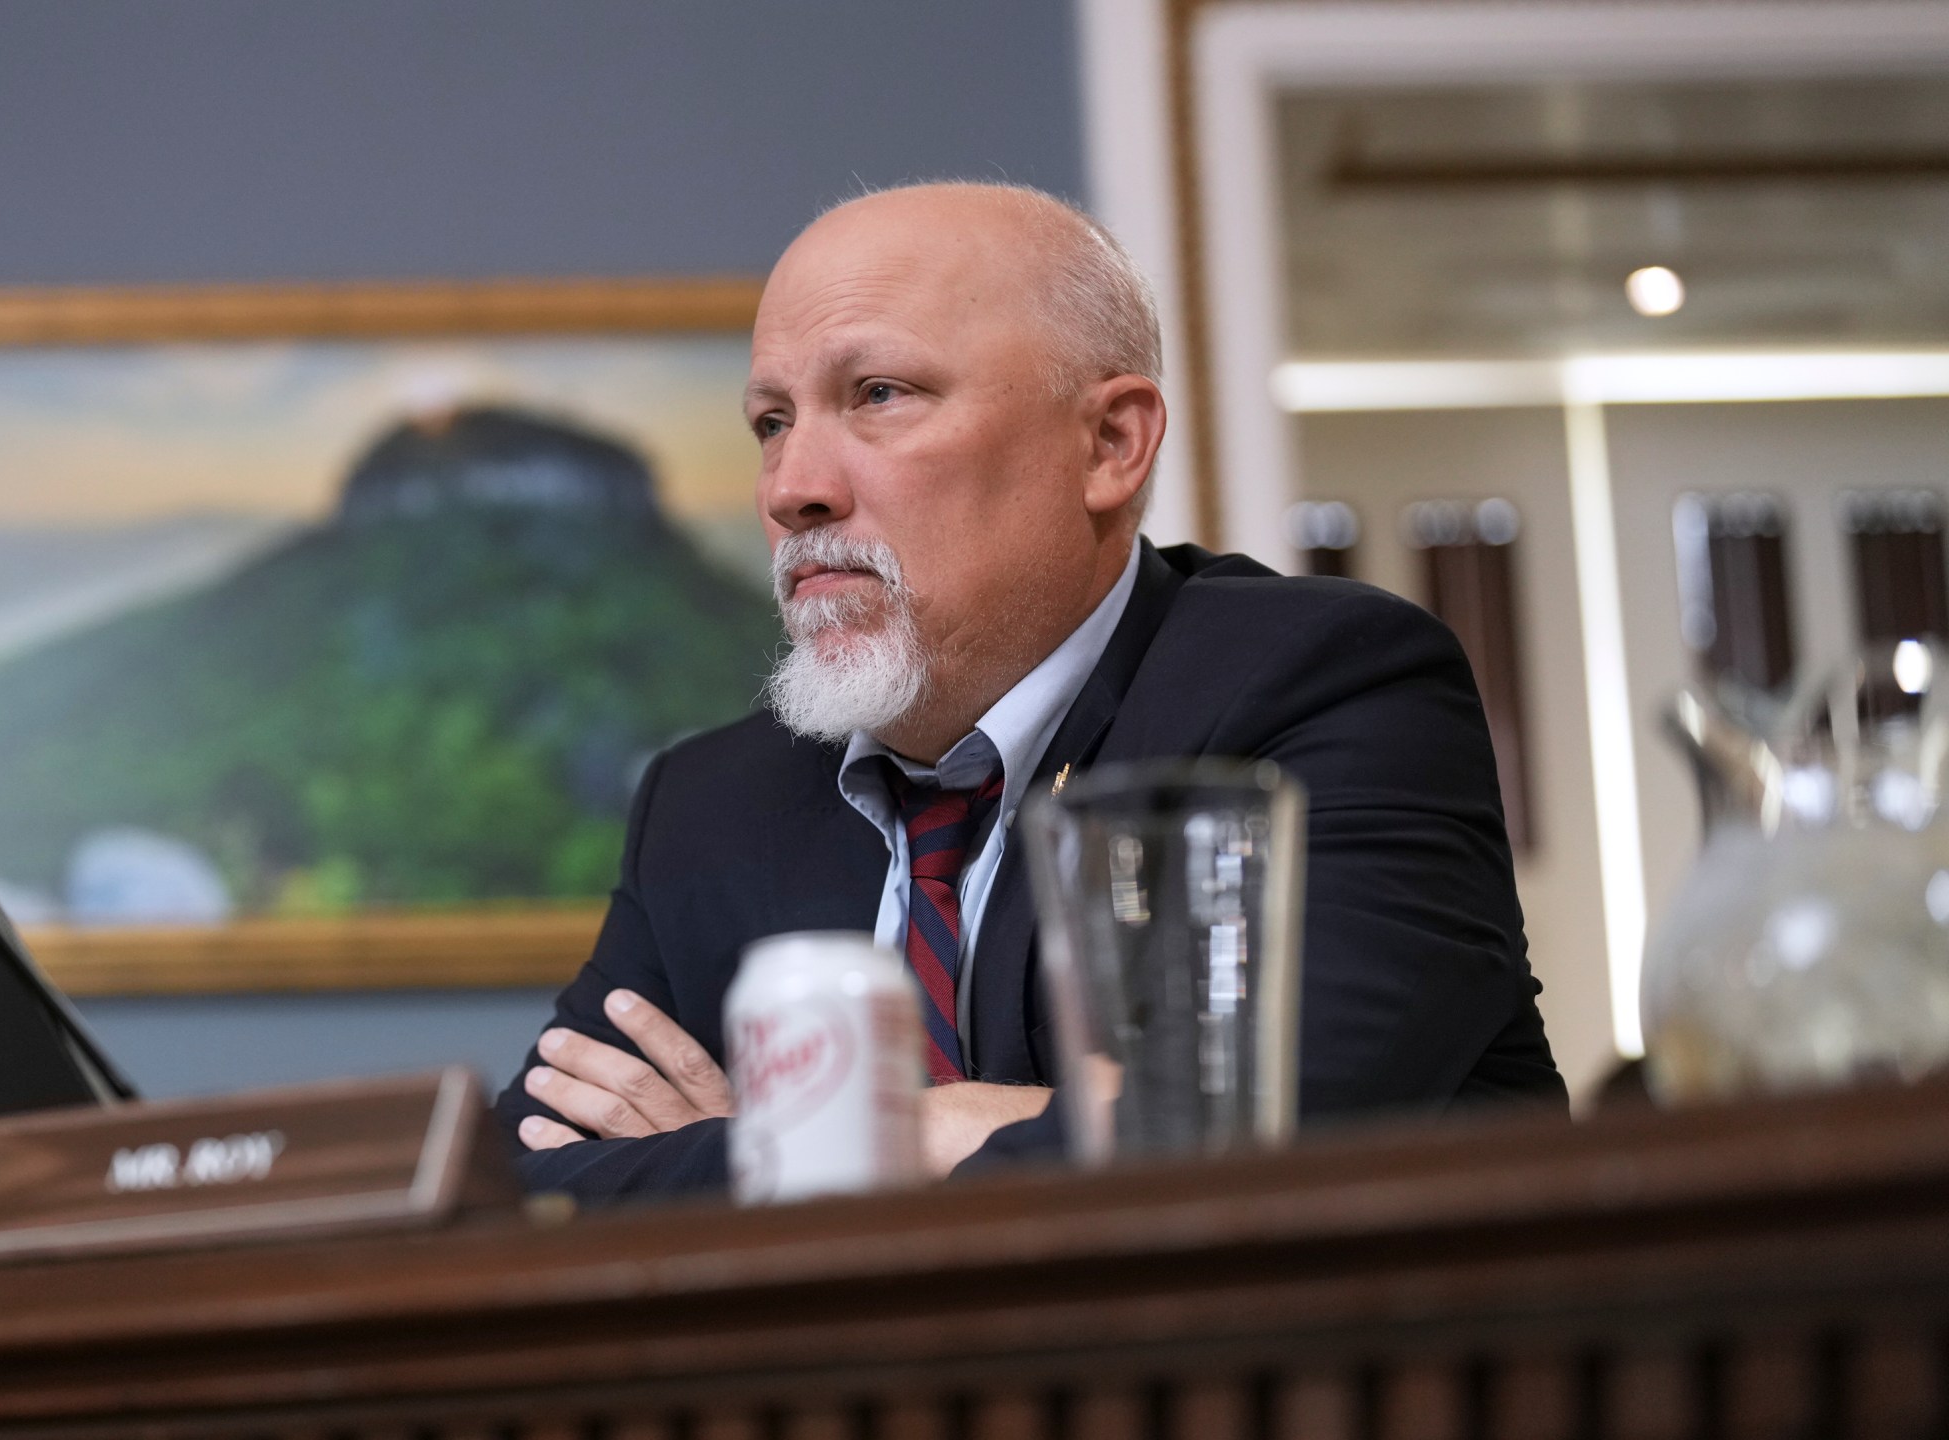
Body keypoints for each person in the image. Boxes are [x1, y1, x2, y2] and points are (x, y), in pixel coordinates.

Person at [492, 181, 1566, 1202]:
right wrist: (968, 1128)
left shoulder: (1324, 685)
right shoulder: (710, 802)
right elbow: (517, 1190)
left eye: (877, 396)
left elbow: (1265, 1133)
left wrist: (789, 1145)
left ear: (1109, 443)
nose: (790, 489)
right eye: (771, 422)